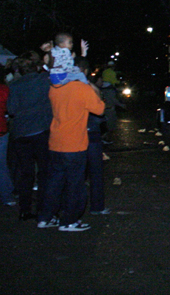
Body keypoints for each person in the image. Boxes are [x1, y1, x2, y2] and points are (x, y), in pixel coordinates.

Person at [37, 57, 105, 232]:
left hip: (55, 142)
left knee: (54, 183)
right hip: (74, 144)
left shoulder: (55, 87)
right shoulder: (82, 89)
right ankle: (69, 220)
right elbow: (100, 109)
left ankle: (46, 217)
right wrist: (91, 87)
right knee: (75, 185)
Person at [7, 51, 53, 221]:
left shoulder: (14, 85)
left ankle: (24, 209)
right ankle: (42, 208)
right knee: (43, 171)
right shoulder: (43, 80)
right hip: (40, 130)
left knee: (26, 173)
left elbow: (11, 109)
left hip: (21, 134)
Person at [0, 74, 15, 207]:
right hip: (2, 131)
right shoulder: (4, 90)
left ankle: (6, 194)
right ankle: (6, 195)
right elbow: (9, 109)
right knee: (2, 165)